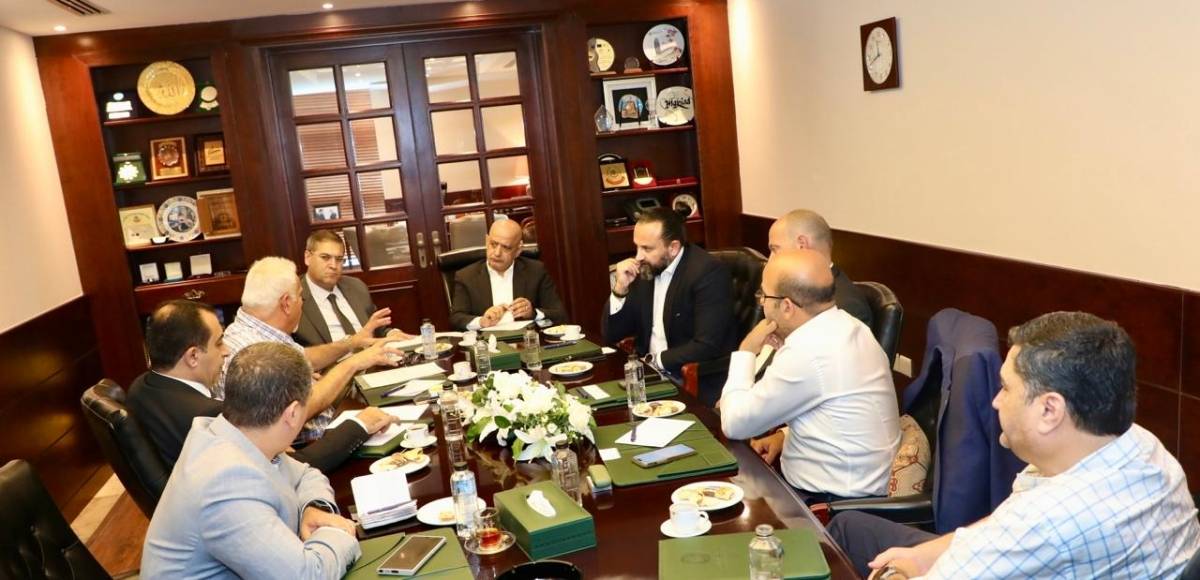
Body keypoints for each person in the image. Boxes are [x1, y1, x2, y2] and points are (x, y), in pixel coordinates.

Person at [829, 312, 1200, 579]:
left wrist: (895, 572)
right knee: (850, 527)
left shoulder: (1043, 523)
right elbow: (1003, 522)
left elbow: (1020, 529)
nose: (995, 401)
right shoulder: (1141, 445)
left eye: (1006, 388)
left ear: (1049, 410)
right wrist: (924, 555)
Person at [141, 342, 362, 578]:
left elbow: (307, 474)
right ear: (293, 413)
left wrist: (314, 508)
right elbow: (308, 575)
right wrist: (339, 532)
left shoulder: (233, 433)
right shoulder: (226, 484)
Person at [127, 300, 393, 473]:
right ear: (193, 356)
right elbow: (296, 468)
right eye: (218, 343)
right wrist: (360, 425)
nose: (226, 351)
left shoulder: (142, 388)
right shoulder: (210, 418)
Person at [719, 249, 899, 500]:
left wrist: (746, 350)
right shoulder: (851, 326)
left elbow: (734, 424)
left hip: (831, 504)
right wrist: (784, 436)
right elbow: (834, 409)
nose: (761, 304)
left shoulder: (807, 352)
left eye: (763, 295)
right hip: (856, 482)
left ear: (787, 306)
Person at [219, 256, 400, 445]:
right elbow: (297, 412)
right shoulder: (255, 352)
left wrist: (351, 343)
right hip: (314, 445)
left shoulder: (252, 329)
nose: (302, 303)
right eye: (301, 297)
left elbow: (303, 357)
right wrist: (353, 363)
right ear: (286, 303)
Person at [601, 207, 737, 406]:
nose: (638, 257)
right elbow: (611, 334)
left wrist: (655, 361)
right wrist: (620, 288)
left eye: (646, 249)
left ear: (673, 248)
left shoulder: (707, 272)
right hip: (647, 375)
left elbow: (707, 344)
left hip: (687, 377)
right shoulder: (647, 269)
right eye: (637, 247)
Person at [295, 229, 411, 347]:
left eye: (339, 259)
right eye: (325, 257)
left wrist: (391, 334)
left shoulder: (356, 287)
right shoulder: (293, 297)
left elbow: (376, 329)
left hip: (374, 355)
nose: (333, 266)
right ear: (307, 257)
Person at [449, 218, 568, 330]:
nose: (497, 253)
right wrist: (482, 321)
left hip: (526, 340)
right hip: (486, 342)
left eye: (506, 247)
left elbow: (559, 315)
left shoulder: (535, 271)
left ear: (518, 250)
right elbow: (456, 319)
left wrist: (533, 313)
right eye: (493, 244)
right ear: (486, 241)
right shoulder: (466, 276)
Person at [767, 209, 872, 327]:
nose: (770, 260)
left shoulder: (847, 307)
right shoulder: (790, 288)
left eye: (775, 249)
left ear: (802, 245)